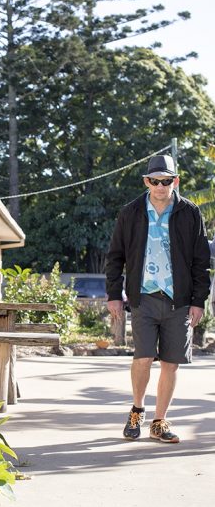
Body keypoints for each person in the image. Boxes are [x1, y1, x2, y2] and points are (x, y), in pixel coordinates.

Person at [106, 154, 211, 444]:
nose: (161, 186)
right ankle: (137, 411)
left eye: (166, 181)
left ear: (175, 181)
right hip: (144, 297)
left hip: (179, 298)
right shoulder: (131, 212)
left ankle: (159, 422)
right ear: (146, 181)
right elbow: (115, 256)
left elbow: (201, 260)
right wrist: (114, 294)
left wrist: (198, 300)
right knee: (143, 358)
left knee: (171, 363)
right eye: (155, 180)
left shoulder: (189, 212)